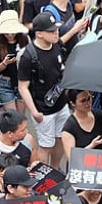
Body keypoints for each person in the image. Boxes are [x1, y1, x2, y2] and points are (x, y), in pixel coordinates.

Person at [17, 11, 75, 167]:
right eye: (51, 31)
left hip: (61, 104)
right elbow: (23, 87)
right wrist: (34, 112)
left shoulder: (56, 45)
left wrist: (77, 28)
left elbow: (62, 41)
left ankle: (55, 169)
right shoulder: (28, 56)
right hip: (44, 110)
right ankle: (45, 174)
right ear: (39, 34)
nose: (56, 33)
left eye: (56, 30)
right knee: (45, 145)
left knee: (59, 138)